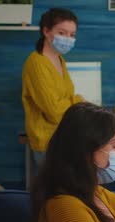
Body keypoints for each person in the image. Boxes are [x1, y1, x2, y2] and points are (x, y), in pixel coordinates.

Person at [22, 8, 84, 163]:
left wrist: (74, 103)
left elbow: (64, 100)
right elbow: (54, 111)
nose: (68, 39)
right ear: (46, 31)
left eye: (72, 35)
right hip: (48, 142)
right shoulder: (37, 63)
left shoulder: (59, 60)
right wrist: (78, 101)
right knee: (53, 187)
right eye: (62, 33)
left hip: (63, 138)